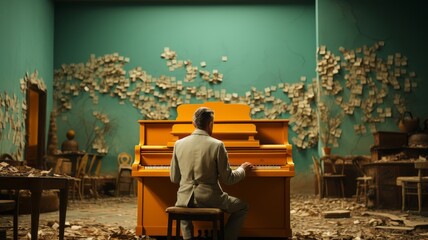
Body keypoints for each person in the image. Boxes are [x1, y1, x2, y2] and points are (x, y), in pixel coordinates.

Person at [170, 106, 253, 240]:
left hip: (184, 198)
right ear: (210, 124)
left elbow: (174, 178)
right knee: (242, 207)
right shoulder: (217, 145)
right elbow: (228, 179)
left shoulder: (178, 144)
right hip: (209, 198)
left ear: (193, 123)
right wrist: (242, 170)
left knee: (184, 208)